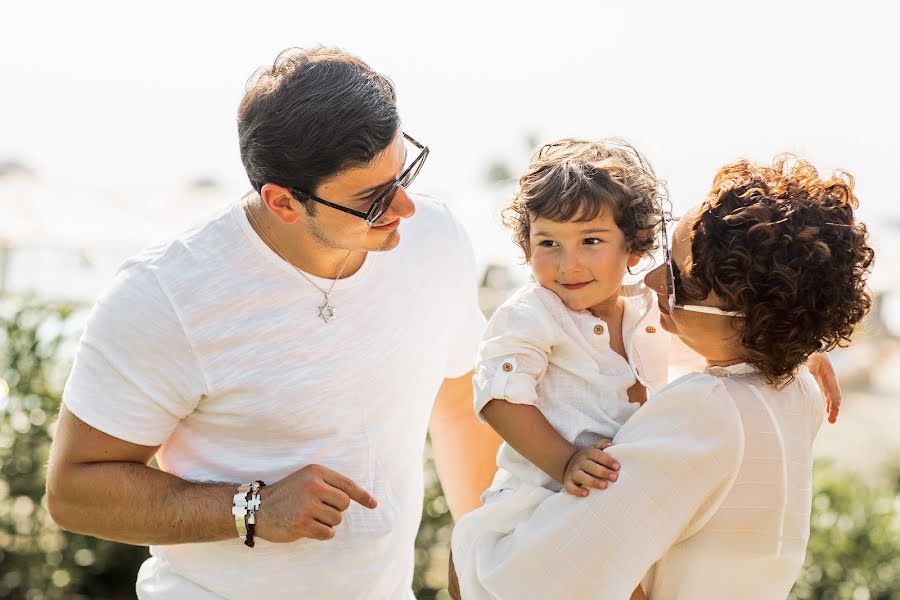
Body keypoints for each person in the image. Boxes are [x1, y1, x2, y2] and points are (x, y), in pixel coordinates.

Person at [45, 47, 500, 599]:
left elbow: (454, 400)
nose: (405, 207)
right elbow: (74, 490)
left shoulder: (436, 238)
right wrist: (251, 508)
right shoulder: (163, 296)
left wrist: (484, 556)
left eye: (405, 169)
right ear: (283, 202)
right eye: (373, 198)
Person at [450, 155, 872, 599]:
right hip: (541, 482)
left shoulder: (706, 408)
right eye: (548, 242)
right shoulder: (795, 392)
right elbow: (498, 393)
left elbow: (526, 577)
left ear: (740, 306)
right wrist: (797, 344)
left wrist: (471, 561)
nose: (652, 280)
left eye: (676, 276)